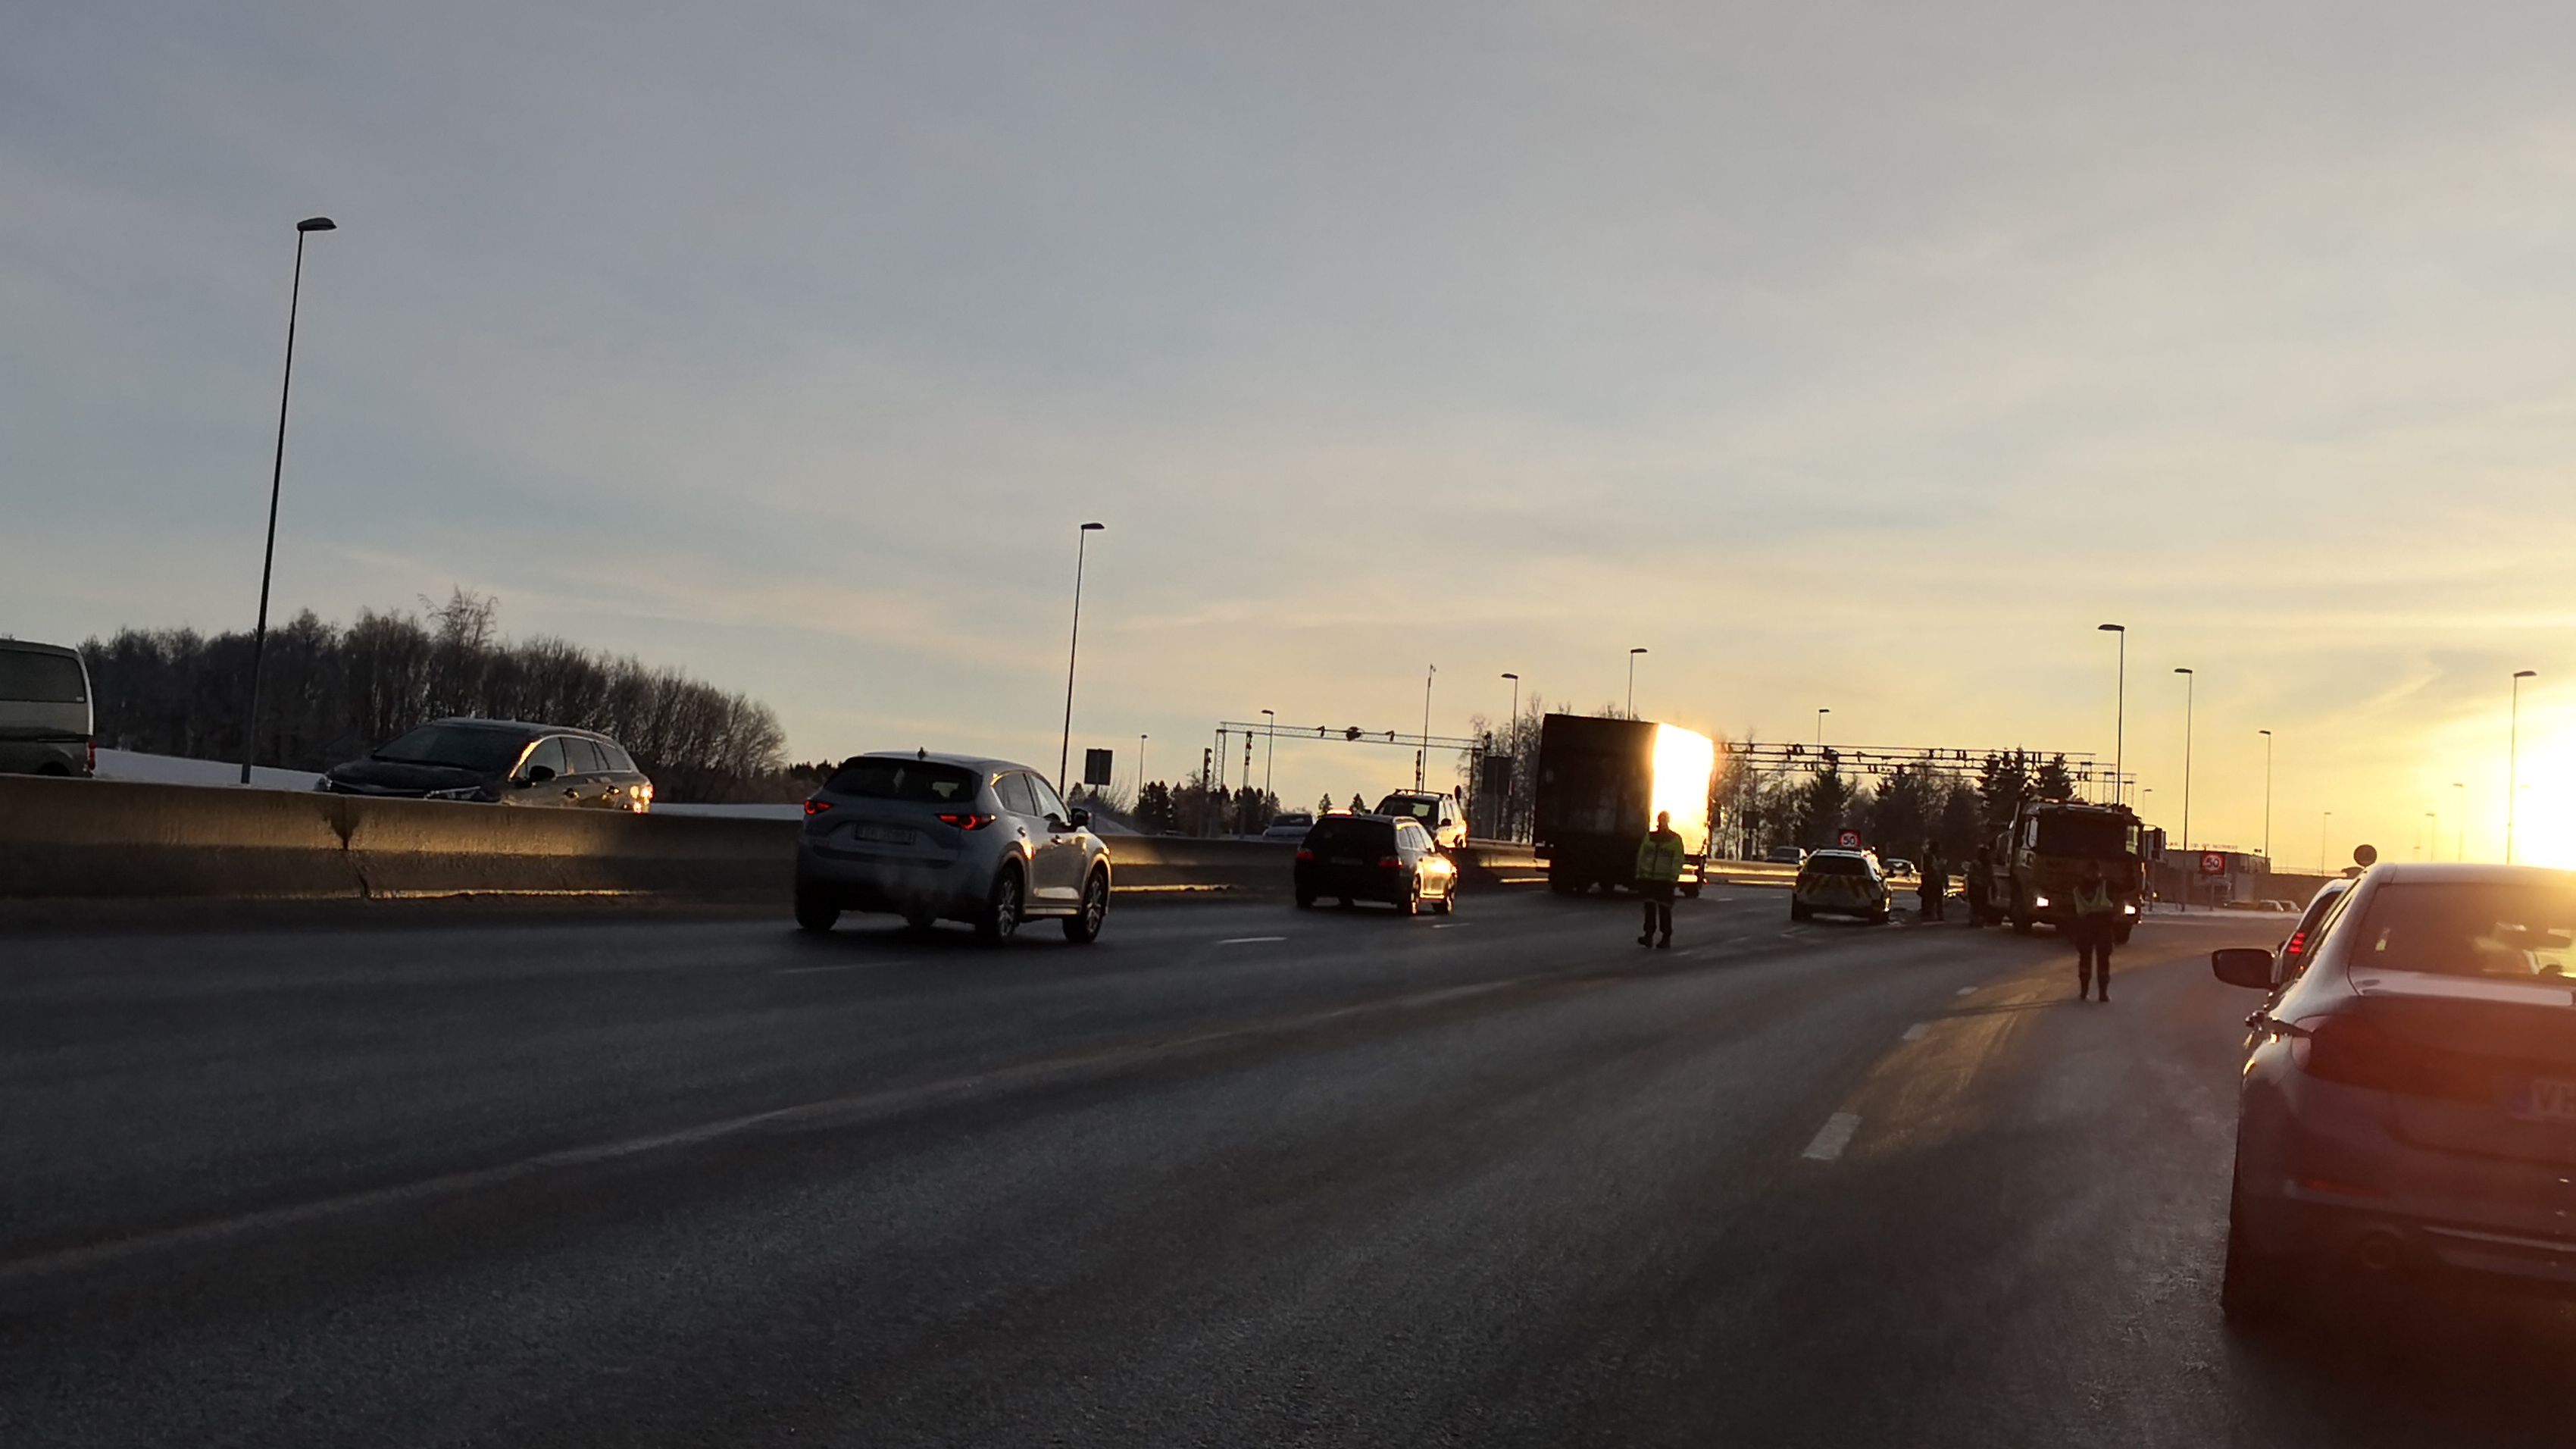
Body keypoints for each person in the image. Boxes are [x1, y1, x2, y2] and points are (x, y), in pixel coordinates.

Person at [1635, 810, 1686, 949]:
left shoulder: (1675, 840)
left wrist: (1673, 878)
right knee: (1650, 909)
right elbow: (1642, 856)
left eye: (1664, 820)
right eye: (1660, 819)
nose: (1662, 822)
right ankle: (1648, 935)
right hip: (1649, 879)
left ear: (1667, 821)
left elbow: (1678, 860)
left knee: (1664, 910)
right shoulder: (1649, 837)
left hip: (1665, 881)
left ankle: (1666, 937)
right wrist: (1639, 874)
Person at [2071, 859, 2119, 1000]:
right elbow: (2115, 902)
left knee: (2085, 959)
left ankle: (2084, 991)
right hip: (2102, 926)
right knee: (2102, 960)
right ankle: (2102, 993)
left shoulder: (2078, 889)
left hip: (2085, 926)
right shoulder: (2106, 886)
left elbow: (2074, 911)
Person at [1962, 845, 1994, 927]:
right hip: (1980, 886)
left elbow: (1971, 875)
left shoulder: (1979, 863)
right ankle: (1977, 920)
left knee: (1978, 904)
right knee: (1979, 904)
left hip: (1978, 886)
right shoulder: (1983, 864)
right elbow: (1990, 875)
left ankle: (1977, 920)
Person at [1918, 841, 1946, 922]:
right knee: (1930, 898)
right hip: (1930, 880)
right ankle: (1929, 914)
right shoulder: (1928, 856)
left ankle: (1937, 914)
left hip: (1936, 880)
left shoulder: (1936, 857)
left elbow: (1942, 870)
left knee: (1937, 898)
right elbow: (1928, 868)